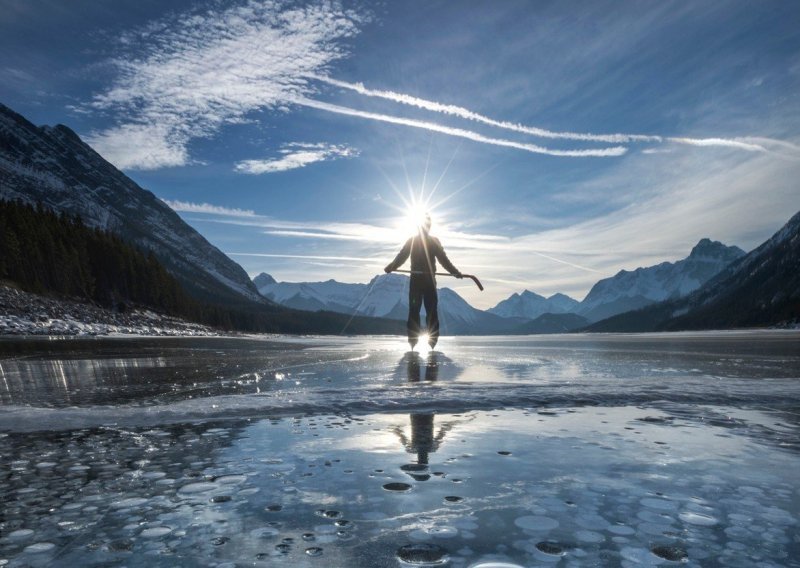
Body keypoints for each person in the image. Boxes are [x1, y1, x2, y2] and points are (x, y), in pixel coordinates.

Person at [384, 213, 462, 349]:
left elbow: (444, 260)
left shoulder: (433, 241)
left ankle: (430, 342)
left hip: (428, 282)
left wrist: (455, 272)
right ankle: (413, 342)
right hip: (418, 281)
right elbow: (402, 256)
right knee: (415, 311)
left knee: (430, 312)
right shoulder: (413, 241)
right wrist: (391, 266)